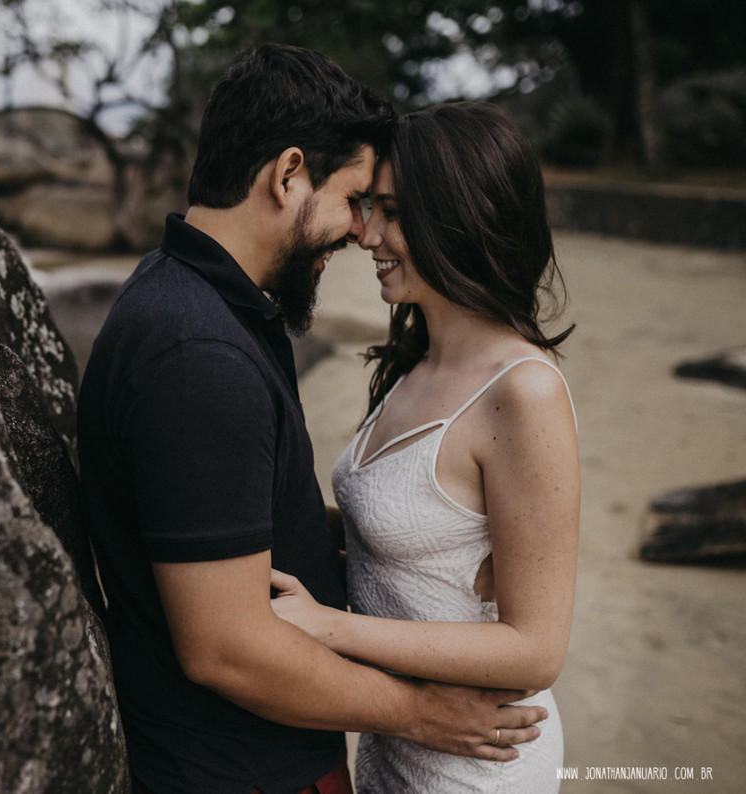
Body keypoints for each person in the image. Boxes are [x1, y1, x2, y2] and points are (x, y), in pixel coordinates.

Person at [78, 45, 547, 794]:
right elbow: (228, 649)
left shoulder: (192, 301)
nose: (359, 233)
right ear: (288, 173)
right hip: (246, 771)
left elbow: (227, 513)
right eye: (357, 199)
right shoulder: (199, 353)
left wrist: (422, 531)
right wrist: (422, 715)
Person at [269, 102, 579, 793]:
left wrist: (326, 629)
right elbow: (412, 533)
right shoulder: (418, 359)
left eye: (393, 213)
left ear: (461, 220)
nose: (367, 233)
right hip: (396, 747)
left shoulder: (523, 393)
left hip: (478, 765)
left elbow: (534, 649)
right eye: (370, 207)